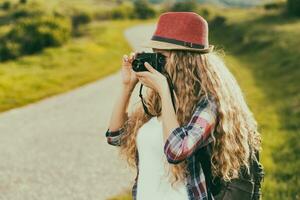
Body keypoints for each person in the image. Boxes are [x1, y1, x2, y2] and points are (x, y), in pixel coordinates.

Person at [105, 12, 262, 200]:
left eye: (161, 56)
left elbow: (175, 150)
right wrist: (127, 86)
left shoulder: (208, 105)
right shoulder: (157, 100)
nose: (155, 63)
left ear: (184, 59)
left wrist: (164, 91)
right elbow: (115, 137)